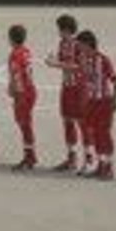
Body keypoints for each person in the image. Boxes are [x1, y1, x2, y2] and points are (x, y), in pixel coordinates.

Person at [45, 14, 86, 172]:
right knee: (67, 121)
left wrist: (56, 64)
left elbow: (80, 66)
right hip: (66, 87)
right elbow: (63, 62)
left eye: (60, 29)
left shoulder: (79, 45)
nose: (58, 32)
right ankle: (71, 158)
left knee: (82, 123)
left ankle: (89, 157)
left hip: (79, 88)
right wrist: (55, 60)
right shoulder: (62, 44)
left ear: (66, 29)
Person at [76, 30, 116, 180]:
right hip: (91, 102)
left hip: (104, 101)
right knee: (94, 133)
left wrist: (115, 100)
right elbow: (85, 80)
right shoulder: (84, 60)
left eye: (80, 45)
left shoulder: (103, 60)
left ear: (88, 44)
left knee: (104, 134)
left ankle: (109, 167)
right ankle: (101, 164)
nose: (79, 48)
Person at [8, 24, 38, 171]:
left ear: (11, 38)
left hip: (23, 93)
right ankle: (30, 155)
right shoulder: (26, 51)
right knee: (26, 124)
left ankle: (29, 156)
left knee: (24, 124)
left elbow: (16, 74)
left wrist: (13, 90)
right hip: (30, 89)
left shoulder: (15, 54)